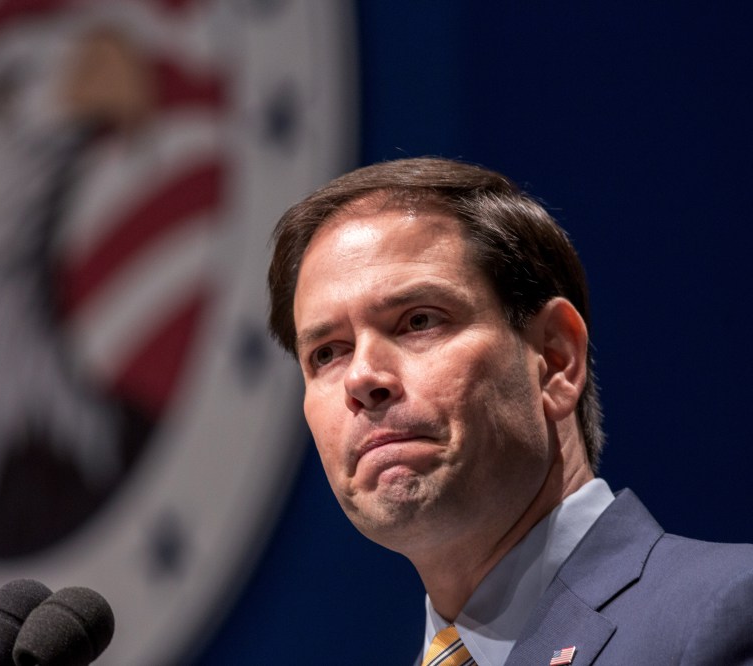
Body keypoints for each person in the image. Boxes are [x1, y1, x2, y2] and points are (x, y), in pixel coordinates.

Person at [267, 157, 753, 665]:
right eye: (327, 352)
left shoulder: (723, 618)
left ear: (556, 360)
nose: (362, 377)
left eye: (418, 321)